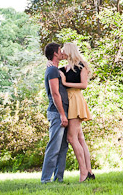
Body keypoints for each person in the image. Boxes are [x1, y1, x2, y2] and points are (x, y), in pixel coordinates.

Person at [59, 41, 94, 182]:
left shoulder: (81, 66)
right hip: (68, 101)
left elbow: (84, 85)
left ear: (69, 51)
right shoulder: (63, 68)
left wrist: (66, 83)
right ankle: (89, 171)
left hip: (76, 100)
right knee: (80, 138)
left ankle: (83, 173)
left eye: (63, 51)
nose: (61, 53)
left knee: (71, 138)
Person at [40, 42, 69, 183]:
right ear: (56, 53)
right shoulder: (52, 71)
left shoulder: (57, 70)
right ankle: (45, 179)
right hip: (57, 113)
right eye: (60, 50)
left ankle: (59, 179)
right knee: (54, 147)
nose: (62, 52)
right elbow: (55, 94)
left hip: (62, 112)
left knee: (63, 147)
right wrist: (62, 114)